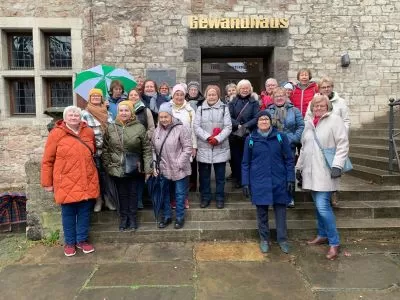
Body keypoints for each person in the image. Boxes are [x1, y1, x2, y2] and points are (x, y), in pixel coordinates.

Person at [296, 94, 349, 260]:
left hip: (327, 171)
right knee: (318, 207)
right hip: (311, 172)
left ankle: (334, 242)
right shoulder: (309, 123)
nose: (318, 108)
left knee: (323, 206)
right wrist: (299, 167)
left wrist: (337, 165)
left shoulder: (335, 120)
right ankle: (322, 234)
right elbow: (304, 148)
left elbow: (343, 144)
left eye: (321, 106)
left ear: (327, 107)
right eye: (316, 106)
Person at [41, 106, 99, 257]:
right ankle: (69, 242)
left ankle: (82, 240)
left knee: (84, 212)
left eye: (76, 115)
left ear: (80, 117)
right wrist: (47, 183)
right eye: (71, 115)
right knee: (68, 214)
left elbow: (93, 151)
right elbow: (48, 160)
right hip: (65, 180)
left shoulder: (88, 132)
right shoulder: (56, 134)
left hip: (86, 178)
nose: (74, 117)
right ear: (65, 118)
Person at [242, 111, 295, 254]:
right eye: (261, 119)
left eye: (266, 119)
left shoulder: (280, 137)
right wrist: (245, 182)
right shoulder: (251, 139)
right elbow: (245, 163)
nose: (264, 121)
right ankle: (264, 239)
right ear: (257, 122)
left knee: (281, 212)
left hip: (279, 179)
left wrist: (290, 178)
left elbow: (289, 160)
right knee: (262, 213)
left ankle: (282, 239)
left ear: (270, 121)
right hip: (259, 181)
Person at [102, 101, 152, 231]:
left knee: (133, 194)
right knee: (122, 195)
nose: (124, 113)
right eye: (121, 110)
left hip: (134, 167)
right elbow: (106, 148)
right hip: (117, 167)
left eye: (126, 110)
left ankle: (133, 218)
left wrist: (148, 169)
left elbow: (146, 149)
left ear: (131, 112)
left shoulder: (140, 127)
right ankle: (124, 218)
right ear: (118, 112)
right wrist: (108, 165)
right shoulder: (111, 127)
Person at [304, 77, 351, 207]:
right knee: (321, 166)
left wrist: (342, 132)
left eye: (328, 86)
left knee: (334, 165)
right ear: (319, 88)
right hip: (320, 137)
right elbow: (308, 117)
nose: (326, 89)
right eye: (323, 87)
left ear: (332, 87)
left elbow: (346, 120)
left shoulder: (340, 102)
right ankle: (318, 189)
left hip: (335, 138)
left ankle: (334, 192)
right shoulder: (313, 101)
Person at [152, 102, 192, 229]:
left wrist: (179, 163)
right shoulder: (156, 131)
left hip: (179, 167)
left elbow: (187, 148)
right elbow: (153, 149)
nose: (163, 119)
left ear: (171, 116)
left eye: (166, 116)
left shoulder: (181, 128)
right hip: (163, 168)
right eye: (161, 117)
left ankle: (180, 218)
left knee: (180, 195)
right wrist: (155, 165)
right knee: (164, 193)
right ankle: (167, 216)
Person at [194, 85, 232, 209]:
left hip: (220, 147)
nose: (211, 96)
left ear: (218, 95)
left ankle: (220, 198)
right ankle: (205, 198)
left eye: (214, 94)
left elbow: (228, 127)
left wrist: (217, 138)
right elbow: (196, 127)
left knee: (220, 177)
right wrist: (207, 137)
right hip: (204, 146)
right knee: (204, 177)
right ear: (206, 95)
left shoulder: (224, 108)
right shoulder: (199, 109)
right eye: (209, 94)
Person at [266, 87, 304, 208]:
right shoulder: (268, 110)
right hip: (273, 145)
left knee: (289, 171)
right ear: (273, 98)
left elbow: (301, 126)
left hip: (289, 145)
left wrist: (293, 139)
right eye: (276, 96)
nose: (279, 98)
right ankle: (275, 196)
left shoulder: (294, 110)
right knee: (274, 171)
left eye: (282, 95)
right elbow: (265, 126)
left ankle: (289, 197)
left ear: (286, 96)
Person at [81, 88, 116, 212]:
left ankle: (108, 199)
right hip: (94, 152)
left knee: (107, 177)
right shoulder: (84, 114)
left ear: (102, 98)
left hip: (108, 151)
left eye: (98, 96)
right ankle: (98, 200)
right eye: (93, 96)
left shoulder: (109, 114)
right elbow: (82, 133)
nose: (96, 98)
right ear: (89, 99)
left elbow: (113, 132)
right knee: (96, 177)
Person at [228, 79, 260, 188]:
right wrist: (238, 125)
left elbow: (256, 117)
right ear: (238, 89)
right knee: (236, 158)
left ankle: (248, 180)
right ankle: (239, 179)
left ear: (250, 89)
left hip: (249, 133)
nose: (244, 90)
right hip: (235, 134)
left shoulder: (254, 102)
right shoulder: (233, 101)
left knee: (248, 158)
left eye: (247, 88)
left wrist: (245, 126)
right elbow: (229, 116)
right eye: (242, 88)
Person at [128, 88, 155, 209]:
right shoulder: (124, 110)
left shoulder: (146, 111)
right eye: (131, 95)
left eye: (135, 95)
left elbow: (152, 128)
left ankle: (140, 200)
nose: (133, 97)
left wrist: (142, 139)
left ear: (139, 97)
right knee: (129, 175)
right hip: (128, 149)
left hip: (143, 148)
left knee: (141, 175)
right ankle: (131, 201)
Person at [170, 84, 197, 208]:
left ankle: (184, 198)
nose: (179, 97)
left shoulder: (190, 110)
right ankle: (174, 199)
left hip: (186, 147)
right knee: (172, 173)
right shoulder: (167, 108)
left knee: (185, 173)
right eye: (177, 94)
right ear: (173, 95)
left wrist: (194, 146)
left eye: (181, 94)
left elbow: (193, 129)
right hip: (170, 147)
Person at [185, 81, 205, 192]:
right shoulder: (184, 101)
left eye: (195, 90)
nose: (193, 91)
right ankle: (191, 185)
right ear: (188, 91)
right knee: (190, 161)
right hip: (188, 134)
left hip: (200, 134)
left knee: (200, 162)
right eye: (191, 89)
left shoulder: (203, 102)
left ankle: (201, 186)